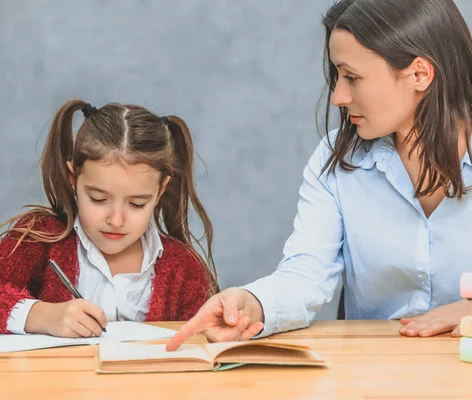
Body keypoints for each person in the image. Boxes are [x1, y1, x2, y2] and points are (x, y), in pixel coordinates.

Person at [168, 0, 472, 351]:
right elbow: (306, 274)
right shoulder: (335, 159)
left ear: (419, 74)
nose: (338, 97)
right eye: (337, 76)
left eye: (352, 78)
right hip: (376, 373)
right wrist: (250, 305)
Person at [0, 99, 218, 338]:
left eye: (136, 204)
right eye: (99, 199)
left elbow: (201, 348)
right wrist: (43, 316)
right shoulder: (41, 238)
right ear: (73, 179)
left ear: (160, 191)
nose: (116, 219)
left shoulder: (183, 268)